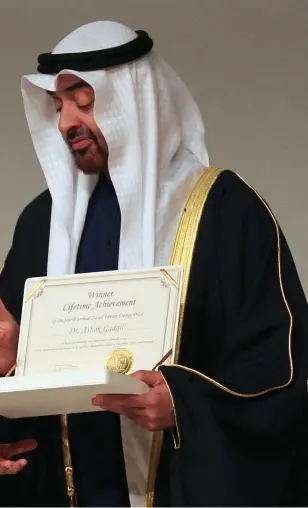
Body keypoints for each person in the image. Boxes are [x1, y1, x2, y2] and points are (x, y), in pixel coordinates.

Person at [0, 20, 308, 508]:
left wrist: (185, 405)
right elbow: (19, 378)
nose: (66, 124)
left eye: (84, 99)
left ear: (135, 98)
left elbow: (280, 369)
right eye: (58, 107)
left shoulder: (225, 211)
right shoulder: (43, 224)